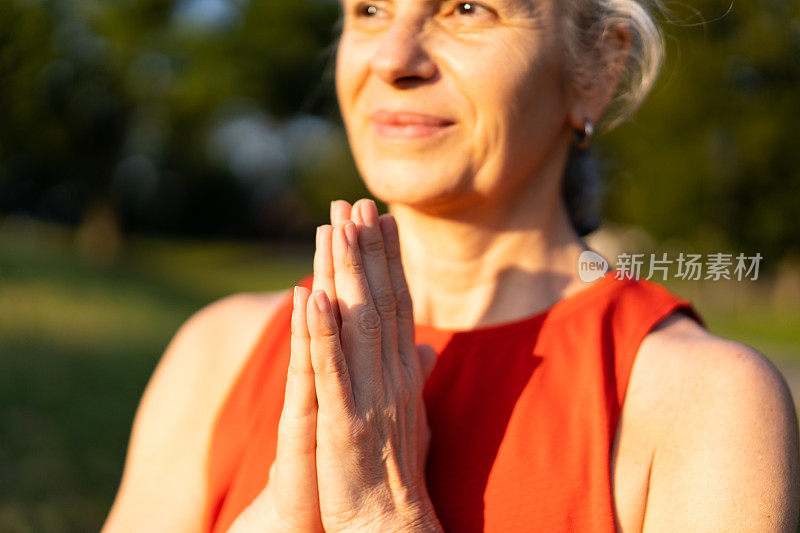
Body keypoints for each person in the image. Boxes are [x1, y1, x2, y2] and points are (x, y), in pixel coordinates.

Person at [102, 0, 800, 531]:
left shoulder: (701, 403)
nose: (394, 57)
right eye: (369, 9)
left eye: (468, 7)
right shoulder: (215, 353)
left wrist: (381, 513)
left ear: (596, 70)